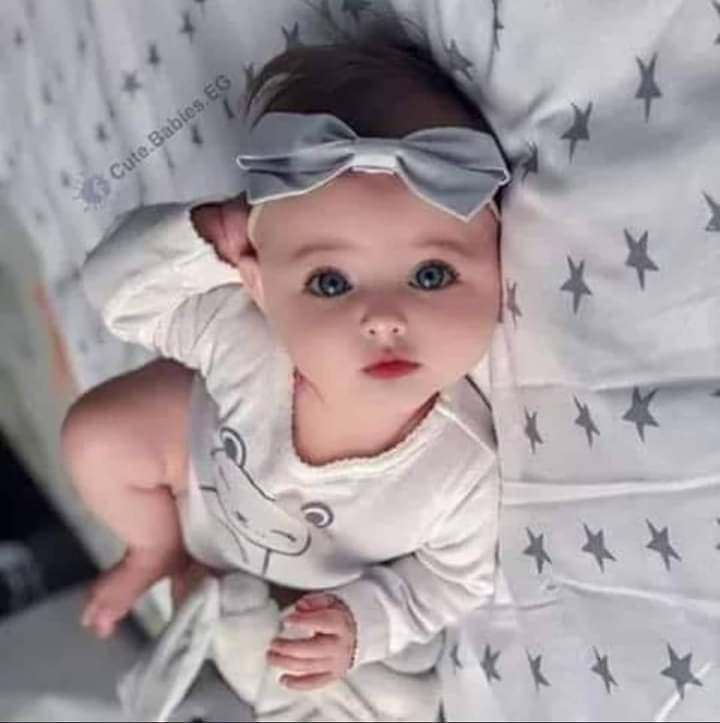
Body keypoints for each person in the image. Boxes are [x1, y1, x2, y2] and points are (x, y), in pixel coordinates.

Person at [61, 21, 510, 722]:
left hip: (317, 584)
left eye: (431, 273)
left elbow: (454, 583)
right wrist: (202, 238)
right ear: (260, 285)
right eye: (330, 282)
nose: (383, 317)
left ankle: (224, 608)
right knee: (95, 434)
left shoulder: (460, 469)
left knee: (358, 680)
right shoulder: (246, 335)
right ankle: (153, 549)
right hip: (197, 485)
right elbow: (114, 295)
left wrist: (361, 624)